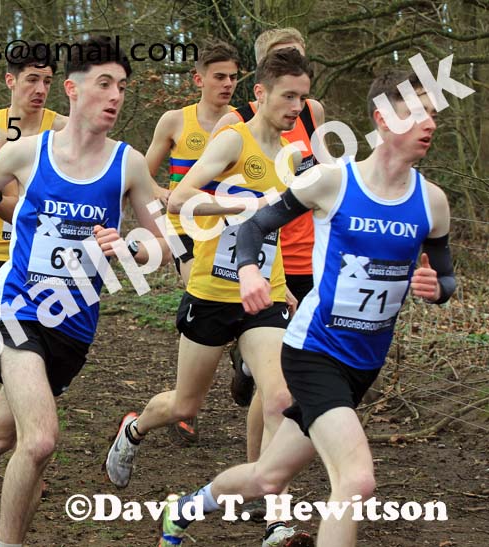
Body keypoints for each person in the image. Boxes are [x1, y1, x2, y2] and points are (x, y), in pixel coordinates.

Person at [158, 69, 454, 547]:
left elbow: (445, 279)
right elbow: (255, 226)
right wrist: (251, 272)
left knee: (267, 478)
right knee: (356, 482)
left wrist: (434, 287)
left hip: (365, 364)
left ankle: (188, 506)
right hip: (314, 352)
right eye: (416, 113)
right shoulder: (332, 181)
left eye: (433, 115)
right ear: (381, 119)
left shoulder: (432, 203)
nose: (430, 124)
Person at [0, 36, 172, 547]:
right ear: (73, 91)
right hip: (17, 313)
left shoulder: (130, 165)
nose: (115, 95)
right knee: (41, 440)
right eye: (104, 84)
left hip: (73, 325)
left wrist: (129, 249)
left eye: (121, 86)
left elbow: (163, 247)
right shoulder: (28, 152)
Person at [105, 47, 312, 547]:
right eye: (288, 96)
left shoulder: (294, 154)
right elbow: (179, 198)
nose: (296, 107)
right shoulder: (230, 140)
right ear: (260, 93)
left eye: (303, 99)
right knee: (184, 404)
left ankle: (274, 514)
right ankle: (134, 429)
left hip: (264, 294)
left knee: (279, 397)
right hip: (212, 291)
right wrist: (245, 204)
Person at [215, 31, 326, 483]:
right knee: (274, 384)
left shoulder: (313, 113)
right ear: (262, 75)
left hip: (309, 256)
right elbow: (211, 199)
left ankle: (267, 473)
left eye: (297, 57)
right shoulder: (234, 124)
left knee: (291, 373)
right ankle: (263, 477)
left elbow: (319, 179)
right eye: (281, 59)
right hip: (263, 260)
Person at [143, 38, 240, 444]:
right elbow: (141, 172)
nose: (227, 84)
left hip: (227, 231)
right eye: (219, 76)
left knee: (231, 306)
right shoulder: (174, 121)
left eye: (234, 77)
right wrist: (161, 194)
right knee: (198, 292)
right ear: (199, 78)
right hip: (184, 228)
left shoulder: (244, 121)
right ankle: (187, 407)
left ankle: (237, 361)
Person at [0, 43, 66, 312]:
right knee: (4, 329)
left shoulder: (63, 130)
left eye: (47, 81)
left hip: (45, 251)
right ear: (10, 81)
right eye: (32, 79)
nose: (40, 89)